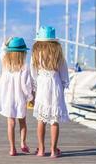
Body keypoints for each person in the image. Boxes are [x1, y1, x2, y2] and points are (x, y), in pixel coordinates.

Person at [30, 26, 69, 158]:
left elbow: (33, 73)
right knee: (54, 120)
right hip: (55, 85)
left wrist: (35, 87)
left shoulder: (36, 53)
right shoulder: (58, 53)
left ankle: (41, 150)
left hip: (42, 86)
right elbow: (64, 73)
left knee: (41, 119)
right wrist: (63, 85)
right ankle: (53, 150)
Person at [0, 37, 34, 156]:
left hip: (7, 99)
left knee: (10, 123)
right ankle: (22, 143)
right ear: (23, 53)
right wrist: (30, 97)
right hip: (20, 99)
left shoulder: (5, 63)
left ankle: (12, 148)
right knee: (22, 122)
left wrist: (6, 42)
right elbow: (26, 86)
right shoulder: (24, 67)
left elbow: (2, 51)